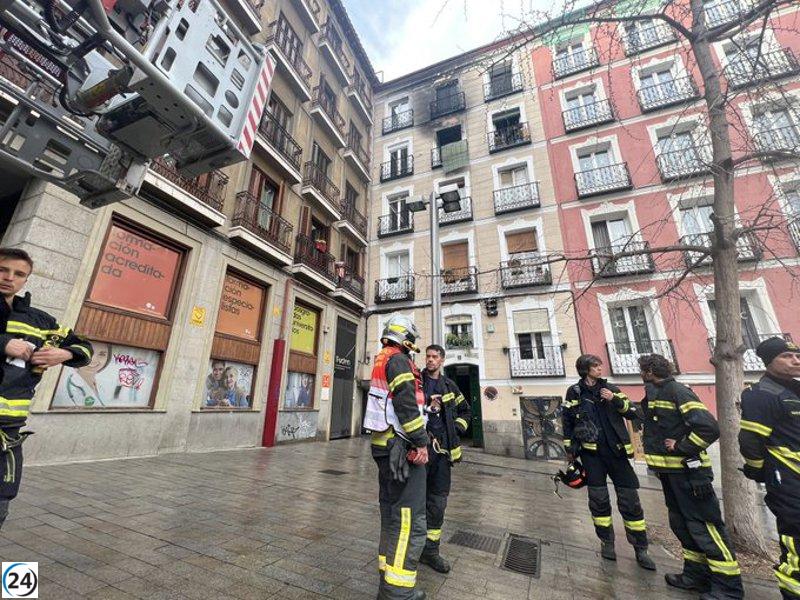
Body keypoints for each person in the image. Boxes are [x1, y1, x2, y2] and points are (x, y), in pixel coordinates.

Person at [0, 248, 93, 530]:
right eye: (3, 269)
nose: (9, 278)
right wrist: (3, 343)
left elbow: (85, 348)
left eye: (19, 274)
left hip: (7, 435)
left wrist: (63, 355)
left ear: (26, 281)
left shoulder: (40, 322)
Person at [639, 353, 743, 600]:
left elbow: (709, 427)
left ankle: (729, 589)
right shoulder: (657, 393)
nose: (642, 374)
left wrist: (682, 446)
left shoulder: (678, 392)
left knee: (705, 527)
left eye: (643, 370)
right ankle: (695, 576)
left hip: (690, 474)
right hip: (670, 474)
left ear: (650, 372)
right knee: (683, 526)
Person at [562, 354, 655, 570]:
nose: (600, 368)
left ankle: (641, 548)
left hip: (617, 453)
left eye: (600, 365)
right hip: (591, 455)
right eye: (596, 366)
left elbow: (633, 413)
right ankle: (607, 542)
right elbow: (567, 420)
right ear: (585, 369)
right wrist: (569, 448)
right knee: (598, 499)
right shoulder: (574, 392)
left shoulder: (612, 388)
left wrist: (615, 399)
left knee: (630, 501)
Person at [363, 315, 429, 600]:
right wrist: (421, 441)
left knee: (391, 515)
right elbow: (405, 403)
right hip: (401, 448)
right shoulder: (400, 360)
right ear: (406, 337)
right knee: (408, 519)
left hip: (384, 446)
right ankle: (398, 592)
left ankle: (387, 580)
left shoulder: (381, 358)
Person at [739, 337, 800, 600]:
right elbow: (750, 441)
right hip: (788, 480)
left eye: (796, 355)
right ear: (769, 361)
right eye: (787, 356)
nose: (795, 361)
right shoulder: (761, 394)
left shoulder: (794, 389)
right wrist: (759, 470)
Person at [418, 344, 471, 574]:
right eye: (428, 356)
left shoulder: (450, 386)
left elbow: (466, 412)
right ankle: (413, 548)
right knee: (415, 501)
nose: (430, 360)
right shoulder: (415, 381)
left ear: (442, 360)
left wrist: (455, 429)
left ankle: (431, 552)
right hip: (419, 450)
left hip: (441, 456)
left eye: (434, 357)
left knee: (437, 504)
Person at [63, 341, 111, 407]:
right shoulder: (63, 388)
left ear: (107, 358)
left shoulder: (102, 386)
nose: (93, 360)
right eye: (88, 353)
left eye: (102, 354)